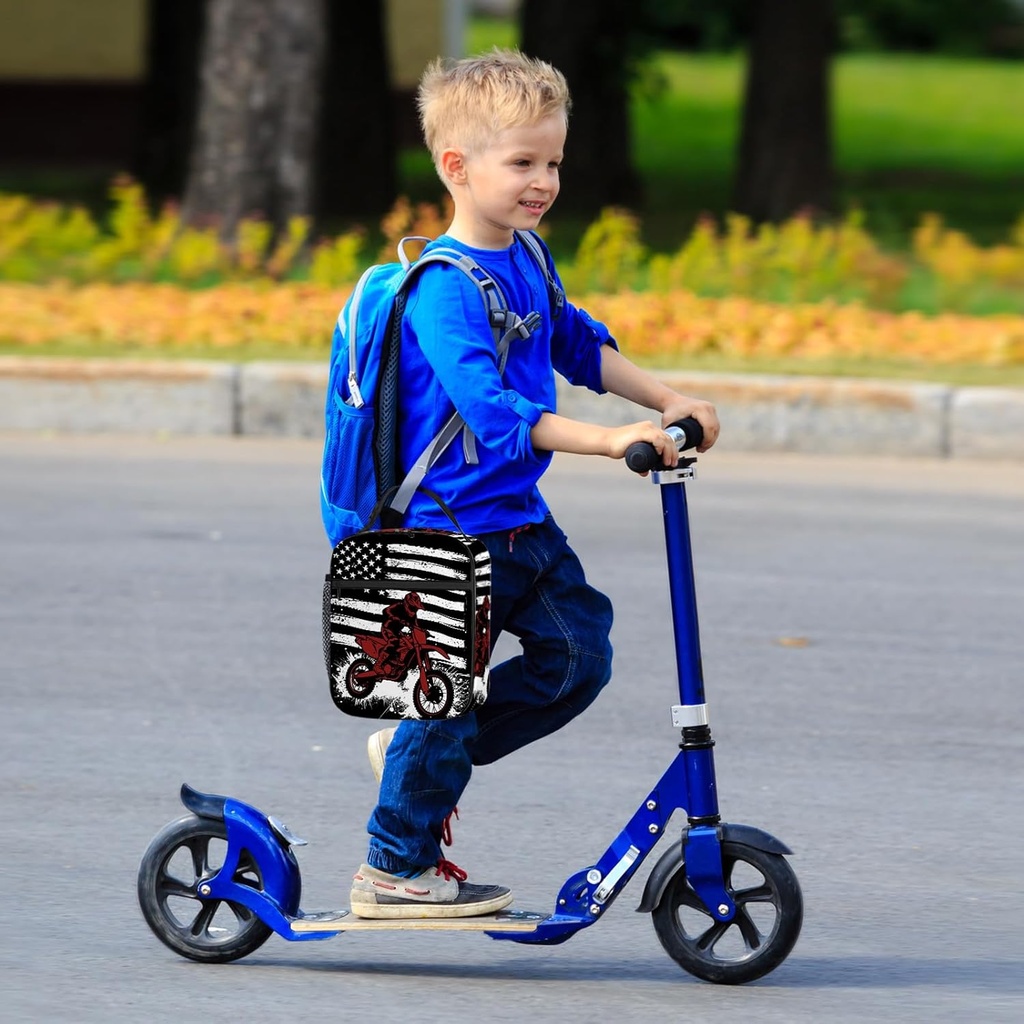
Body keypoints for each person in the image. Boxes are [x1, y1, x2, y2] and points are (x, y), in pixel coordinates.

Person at [349, 48, 720, 920]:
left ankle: (419, 753)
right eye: (522, 162)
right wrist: (613, 440)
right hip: (444, 532)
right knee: (441, 701)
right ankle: (391, 871)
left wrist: (668, 399)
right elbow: (495, 412)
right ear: (457, 166)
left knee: (578, 658)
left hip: (516, 522)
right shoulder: (441, 288)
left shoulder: (529, 256)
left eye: (552, 161)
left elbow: (577, 343)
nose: (543, 180)